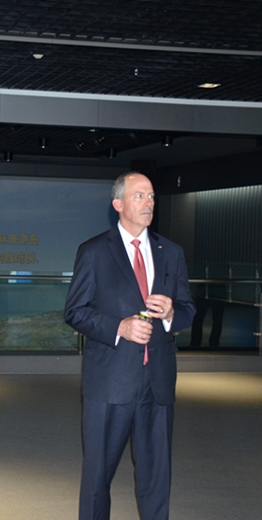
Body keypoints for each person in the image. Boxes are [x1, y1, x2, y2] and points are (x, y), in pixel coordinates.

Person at [64, 172, 196, 520]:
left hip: (158, 383)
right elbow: (75, 312)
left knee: (157, 478)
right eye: (140, 196)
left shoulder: (171, 252)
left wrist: (171, 313)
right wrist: (119, 327)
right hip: (109, 384)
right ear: (118, 204)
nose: (149, 202)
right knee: (97, 479)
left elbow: (188, 309)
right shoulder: (94, 252)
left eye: (151, 196)